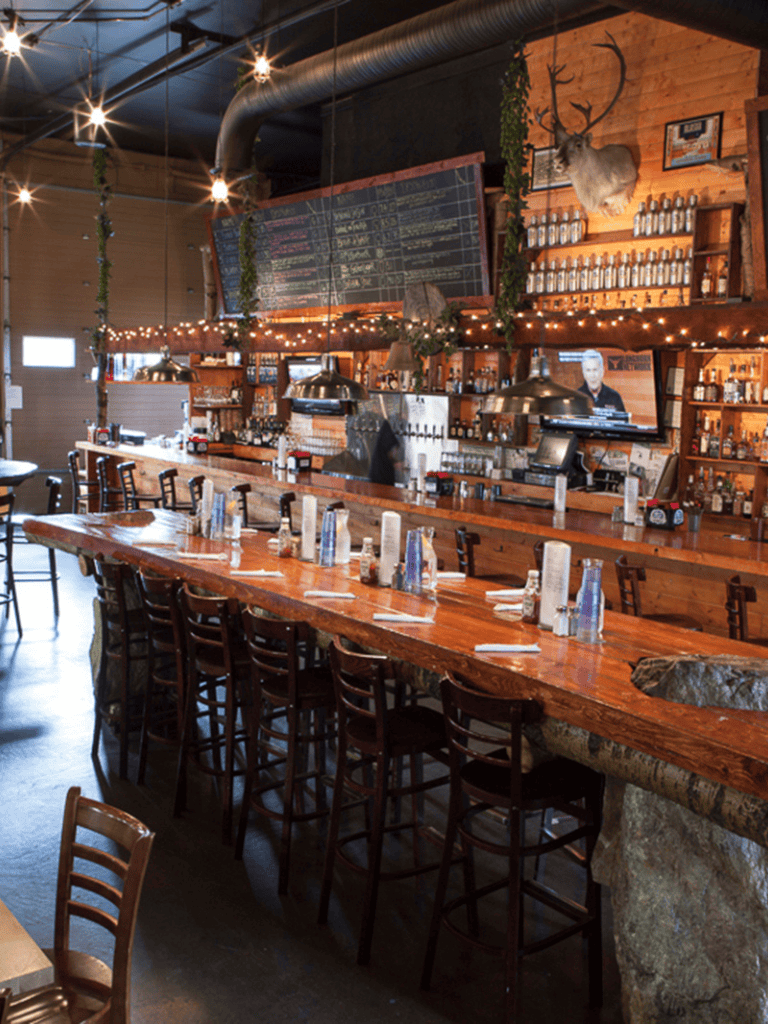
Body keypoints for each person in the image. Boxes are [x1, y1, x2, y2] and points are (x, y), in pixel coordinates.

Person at [368, 419, 402, 485]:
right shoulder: (381, 466)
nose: (394, 453)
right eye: (393, 450)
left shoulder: (381, 459)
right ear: (388, 449)